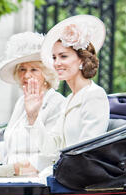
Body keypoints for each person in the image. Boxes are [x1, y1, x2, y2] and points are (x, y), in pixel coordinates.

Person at [0, 32, 65, 179]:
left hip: (37, 184)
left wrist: (10, 170)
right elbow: (12, 150)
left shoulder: (56, 103)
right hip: (12, 181)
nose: (26, 75)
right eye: (22, 69)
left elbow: (50, 156)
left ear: (46, 74)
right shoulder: (21, 103)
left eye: (34, 69)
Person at [34, 14, 110, 178]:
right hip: (61, 174)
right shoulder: (69, 99)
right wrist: (34, 115)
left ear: (82, 60)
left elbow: (87, 151)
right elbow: (50, 149)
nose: (57, 63)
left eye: (63, 56)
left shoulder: (95, 95)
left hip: (78, 179)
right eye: (54, 57)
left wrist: (51, 172)